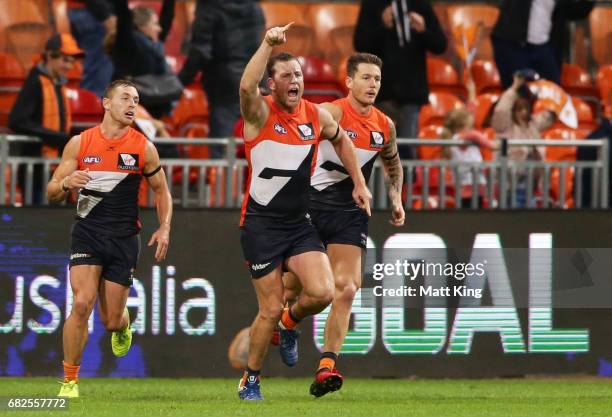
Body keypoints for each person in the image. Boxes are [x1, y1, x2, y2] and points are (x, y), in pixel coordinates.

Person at [237, 24, 372, 401]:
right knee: (267, 309)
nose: (295, 79)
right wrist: (266, 43)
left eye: (298, 73)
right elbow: (246, 87)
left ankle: (290, 322)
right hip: (261, 226)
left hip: (298, 225)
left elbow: (342, 139)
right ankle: (251, 378)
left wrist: (359, 181)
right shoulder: (259, 113)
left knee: (324, 292)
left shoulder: (316, 116)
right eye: (286, 75)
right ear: (273, 84)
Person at [281, 52, 404, 397]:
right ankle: (289, 321)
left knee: (347, 288)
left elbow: (393, 164)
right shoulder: (331, 114)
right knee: (292, 291)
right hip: (310, 207)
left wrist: (396, 198)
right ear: (349, 82)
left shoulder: (385, 125)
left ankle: (326, 368)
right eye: (365, 78)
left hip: (350, 212)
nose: (372, 85)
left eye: (377, 79)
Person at [47, 79, 172, 398]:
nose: (132, 104)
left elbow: (162, 192)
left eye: (137, 100)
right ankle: (70, 382)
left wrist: (165, 226)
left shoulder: (143, 147)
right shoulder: (80, 143)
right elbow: (51, 192)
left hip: (123, 238)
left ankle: (123, 325)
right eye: (126, 98)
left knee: (112, 320)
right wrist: (65, 184)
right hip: (87, 234)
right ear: (106, 103)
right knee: (81, 302)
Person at [354, 0, 447, 158]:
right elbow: (360, 44)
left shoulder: (420, 4)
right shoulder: (372, 4)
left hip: (412, 91)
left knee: (406, 151)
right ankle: (378, 183)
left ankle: (405, 183)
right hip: (381, 91)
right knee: (377, 150)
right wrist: (382, 27)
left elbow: (440, 44)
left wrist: (423, 31)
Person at [179, 0, 265, 158]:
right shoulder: (253, 6)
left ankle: (221, 182)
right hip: (256, 78)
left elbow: (200, 51)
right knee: (260, 143)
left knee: (221, 147)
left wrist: (180, 81)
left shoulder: (209, 5)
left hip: (224, 83)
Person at [9, 34, 85, 203]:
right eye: (65, 60)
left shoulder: (57, 83)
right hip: (35, 167)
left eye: (72, 61)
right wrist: (58, 138)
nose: (69, 66)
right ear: (50, 56)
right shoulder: (36, 82)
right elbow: (17, 120)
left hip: (54, 166)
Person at [491, 0, 594, 89]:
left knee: (553, 93)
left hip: (544, 46)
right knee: (518, 97)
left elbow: (574, 11)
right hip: (513, 44)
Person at [491, 73, 555, 207]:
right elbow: (501, 110)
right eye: (519, 109)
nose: (523, 113)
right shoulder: (505, 126)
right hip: (511, 187)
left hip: (532, 187)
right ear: (513, 111)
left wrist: (549, 91)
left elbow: (552, 114)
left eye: (526, 109)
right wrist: (514, 87)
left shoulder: (533, 124)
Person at [107, 0, 177, 118]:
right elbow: (123, 15)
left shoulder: (155, 46)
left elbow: (167, 17)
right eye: (155, 24)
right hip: (130, 113)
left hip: (155, 109)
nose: (159, 29)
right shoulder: (128, 45)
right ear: (141, 26)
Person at [67, 0, 115, 97]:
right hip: (93, 13)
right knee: (96, 71)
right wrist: (105, 16)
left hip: (78, 10)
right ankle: (90, 107)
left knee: (82, 66)